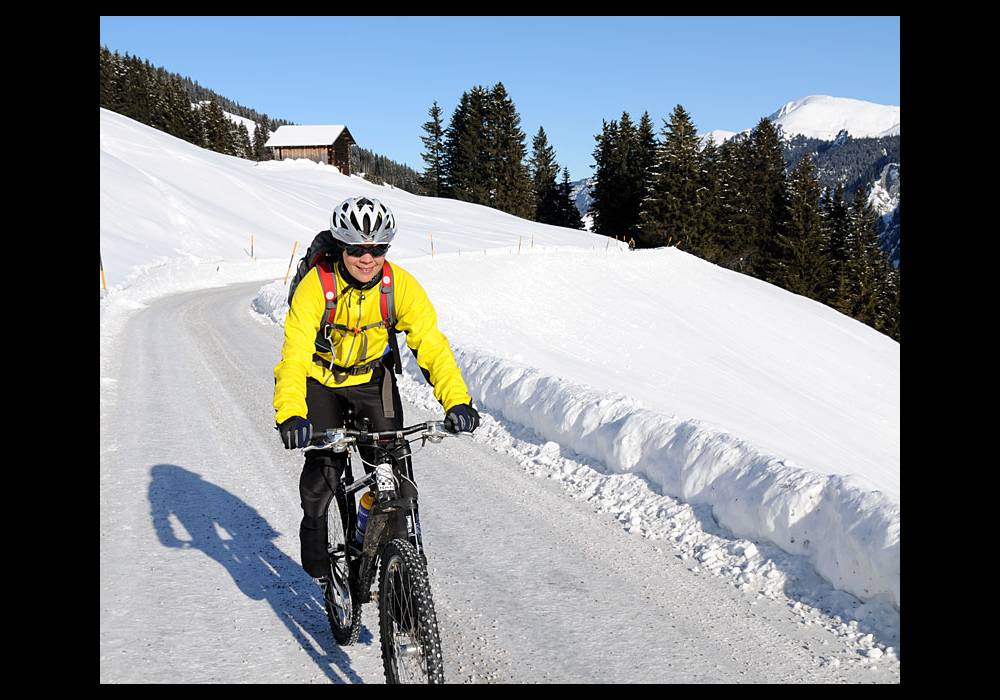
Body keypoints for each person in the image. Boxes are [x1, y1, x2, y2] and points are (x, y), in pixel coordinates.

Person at [273, 196, 479, 590]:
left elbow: (431, 344)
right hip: (321, 379)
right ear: (341, 247)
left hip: (372, 379)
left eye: (378, 248)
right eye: (356, 250)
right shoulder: (317, 287)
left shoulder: (399, 285)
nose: (367, 259)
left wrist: (457, 400)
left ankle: (398, 578)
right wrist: (290, 414)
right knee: (325, 471)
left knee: (392, 474)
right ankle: (315, 525)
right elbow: (294, 356)